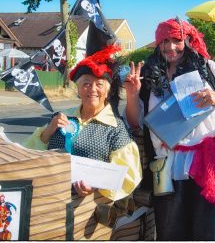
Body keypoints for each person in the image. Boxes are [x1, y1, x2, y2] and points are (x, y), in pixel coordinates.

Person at [124, 17, 215, 240]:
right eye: (165, 41)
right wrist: (132, 94)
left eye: (177, 40)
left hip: (207, 163)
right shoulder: (147, 75)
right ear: (158, 43)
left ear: (187, 40)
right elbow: (135, 122)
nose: (171, 47)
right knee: (169, 233)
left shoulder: (209, 69)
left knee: (206, 232)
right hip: (165, 168)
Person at [23, 45, 142, 226]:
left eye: (99, 84)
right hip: (50, 204)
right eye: (86, 83)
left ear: (107, 90)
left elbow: (127, 175)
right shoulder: (62, 117)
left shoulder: (116, 128)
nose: (92, 89)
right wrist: (49, 130)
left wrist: (96, 185)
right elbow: (29, 154)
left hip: (90, 213)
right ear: (78, 89)